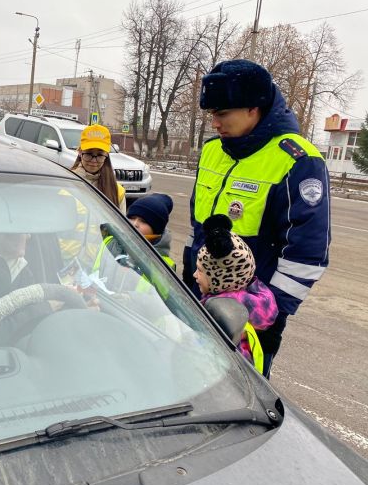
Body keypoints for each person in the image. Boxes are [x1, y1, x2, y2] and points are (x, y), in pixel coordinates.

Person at [182, 59, 330, 377]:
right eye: (211, 115)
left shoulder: (297, 161)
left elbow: (308, 253)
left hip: (250, 316)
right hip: (198, 298)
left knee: (237, 400)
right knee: (189, 382)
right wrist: (186, 276)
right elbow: (197, 226)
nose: (215, 124)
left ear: (254, 108)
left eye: (222, 114)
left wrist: (270, 314)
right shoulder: (212, 151)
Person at [194, 215, 277, 373]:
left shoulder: (220, 312)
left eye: (200, 270)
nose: (194, 275)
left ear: (219, 278)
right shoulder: (251, 301)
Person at [71, 124, 126, 212]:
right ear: (80, 152)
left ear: (106, 155)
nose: (93, 160)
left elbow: (120, 225)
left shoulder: (117, 191)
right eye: (89, 154)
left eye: (100, 155)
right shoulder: (67, 181)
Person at [126, 193, 176, 270]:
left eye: (143, 221)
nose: (135, 224)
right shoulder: (113, 242)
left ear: (156, 230)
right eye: (132, 218)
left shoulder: (164, 267)